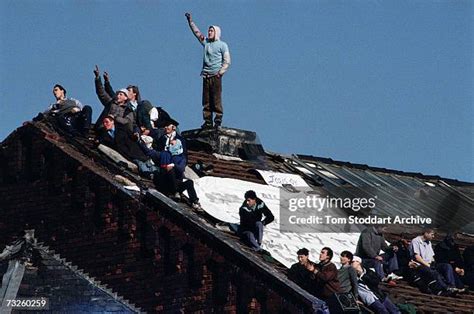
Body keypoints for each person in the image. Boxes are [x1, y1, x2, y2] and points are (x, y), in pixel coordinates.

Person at [185, 12, 231, 129]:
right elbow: (197, 33)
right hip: (206, 75)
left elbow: (227, 60)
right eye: (209, 30)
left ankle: (218, 121)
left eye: (211, 31)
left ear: (216, 32)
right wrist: (190, 22)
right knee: (206, 100)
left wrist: (220, 72)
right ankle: (208, 121)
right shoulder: (206, 43)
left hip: (215, 76)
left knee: (216, 99)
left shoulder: (222, 45)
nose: (209, 32)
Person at [94, 65, 136, 132]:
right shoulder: (111, 103)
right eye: (118, 94)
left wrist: (115, 118)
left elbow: (128, 122)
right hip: (103, 129)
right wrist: (98, 78)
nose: (118, 96)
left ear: (125, 98)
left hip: (117, 132)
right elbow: (101, 92)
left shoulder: (128, 110)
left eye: (120, 94)